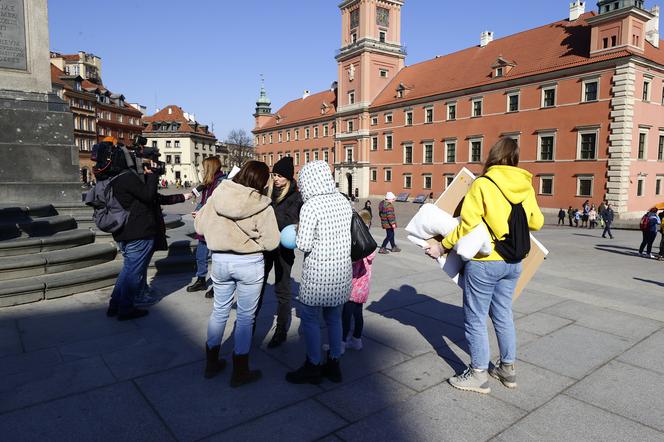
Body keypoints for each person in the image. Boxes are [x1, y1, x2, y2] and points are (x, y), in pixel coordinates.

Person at [425, 137, 544, 394]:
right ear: (514, 158)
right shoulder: (526, 184)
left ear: (493, 155)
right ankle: (507, 369)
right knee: (503, 314)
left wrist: (441, 247)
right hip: (513, 261)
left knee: (475, 317)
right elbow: (536, 222)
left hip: (486, 261)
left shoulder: (483, 183)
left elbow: (467, 224)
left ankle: (478, 374)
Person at [194, 161, 280, 385]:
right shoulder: (262, 205)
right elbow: (272, 243)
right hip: (249, 263)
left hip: (220, 261)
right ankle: (240, 370)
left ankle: (211, 362)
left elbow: (199, 227)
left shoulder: (218, 194)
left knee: (219, 311)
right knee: (245, 317)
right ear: (261, 181)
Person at [285, 161, 353, 385]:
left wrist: (297, 231)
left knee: (311, 319)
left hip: (318, 275)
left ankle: (313, 364)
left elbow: (303, 245)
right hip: (342, 272)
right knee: (334, 319)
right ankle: (334, 364)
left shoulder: (311, 206)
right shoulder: (343, 201)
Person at [256, 156, 303, 349]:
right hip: (266, 247)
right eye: (274, 175)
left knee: (283, 291)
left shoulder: (295, 197)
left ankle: (281, 330)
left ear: (289, 178)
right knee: (258, 285)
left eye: (280, 176)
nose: (276, 179)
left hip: (283, 250)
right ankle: (250, 322)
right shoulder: (267, 192)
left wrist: (269, 220)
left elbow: (288, 223)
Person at [187, 157, 225, 298]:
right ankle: (201, 280)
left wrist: (200, 211)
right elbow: (204, 200)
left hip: (215, 224)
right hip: (204, 223)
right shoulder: (207, 182)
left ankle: (217, 285)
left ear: (210, 168)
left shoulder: (222, 182)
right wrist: (198, 210)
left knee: (216, 257)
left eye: (204, 167)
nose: (203, 170)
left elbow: (215, 203)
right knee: (201, 254)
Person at [343, 210, 376, 352]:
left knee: (345, 315)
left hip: (354, 285)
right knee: (357, 314)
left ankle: (342, 342)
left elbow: (354, 261)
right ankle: (357, 340)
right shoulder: (369, 240)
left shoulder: (360, 241)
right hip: (363, 286)